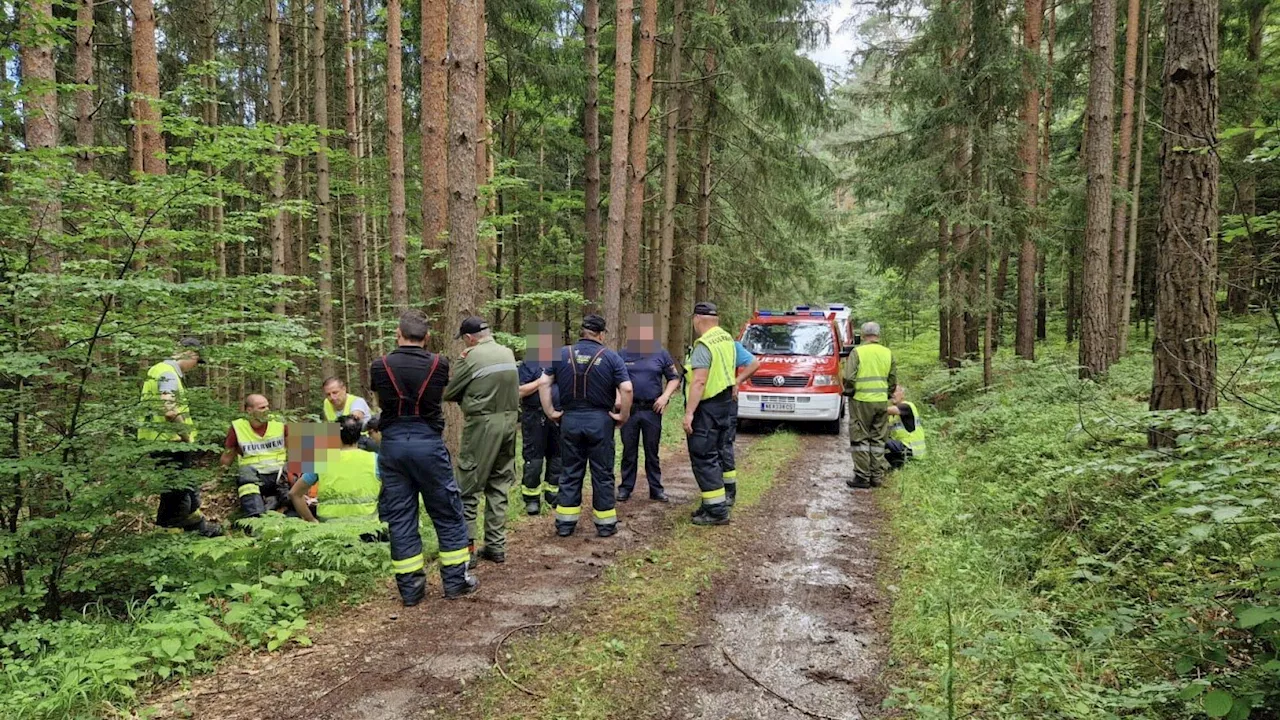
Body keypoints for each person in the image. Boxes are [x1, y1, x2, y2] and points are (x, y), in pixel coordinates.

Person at [370, 310, 476, 605]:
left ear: (397, 333)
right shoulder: (439, 363)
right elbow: (436, 396)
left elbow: (381, 403)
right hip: (428, 443)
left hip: (392, 446)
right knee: (447, 511)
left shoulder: (379, 366)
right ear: (427, 337)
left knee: (401, 517)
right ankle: (456, 583)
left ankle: (411, 591)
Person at [540, 314, 632, 538]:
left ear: (582, 332)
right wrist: (623, 415)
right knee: (602, 472)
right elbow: (627, 388)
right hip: (600, 421)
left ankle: (565, 523)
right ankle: (605, 524)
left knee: (570, 471)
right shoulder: (611, 357)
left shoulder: (561, 354)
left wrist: (550, 411)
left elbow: (544, 382)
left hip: (570, 420)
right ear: (601, 334)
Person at [443, 317, 520, 566]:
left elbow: (450, 391)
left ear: (469, 338)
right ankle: (496, 546)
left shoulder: (470, 357)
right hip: (509, 423)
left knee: (467, 486)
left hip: (482, 425)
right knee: (499, 484)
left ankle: (468, 549)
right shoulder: (507, 352)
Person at [138, 337, 222, 537]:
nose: (195, 366)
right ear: (190, 354)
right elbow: (169, 409)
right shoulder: (167, 374)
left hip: (160, 440)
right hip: (170, 442)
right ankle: (170, 533)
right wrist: (186, 437)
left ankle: (195, 527)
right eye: (197, 360)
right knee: (176, 491)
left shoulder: (157, 370)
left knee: (181, 488)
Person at [683, 302, 738, 526]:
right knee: (715, 454)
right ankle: (711, 504)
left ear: (697, 319)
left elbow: (699, 381)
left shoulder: (704, 345)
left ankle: (716, 511)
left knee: (704, 456)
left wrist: (689, 413)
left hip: (707, 408)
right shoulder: (726, 339)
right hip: (725, 405)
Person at [619, 314, 681, 502]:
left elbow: (674, 378)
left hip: (652, 410)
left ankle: (656, 489)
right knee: (629, 451)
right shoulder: (622, 354)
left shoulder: (660, 353)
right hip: (630, 410)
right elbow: (615, 380)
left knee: (651, 452)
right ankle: (625, 488)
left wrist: (665, 397)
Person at [289, 415, 382, 523]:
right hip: (369, 529)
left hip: (330, 531)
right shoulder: (375, 459)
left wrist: (312, 521)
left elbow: (294, 493)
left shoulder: (322, 460)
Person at [842, 321, 897, 489]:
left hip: (861, 400)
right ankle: (877, 476)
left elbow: (849, 377)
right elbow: (892, 378)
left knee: (860, 438)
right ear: (878, 335)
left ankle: (862, 476)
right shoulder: (888, 353)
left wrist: (849, 391)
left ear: (863, 335)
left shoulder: (857, 352)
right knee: (878, 438)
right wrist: (887, 394)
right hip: (881, 401)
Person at [221, 394, 291, 520]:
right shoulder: (238, 427)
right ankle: (256, 517)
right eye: (261, 408)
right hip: (255, 476)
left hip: (279, 473)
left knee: (291, 472)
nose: (267, 410)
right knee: (245, 474)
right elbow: (227, 456)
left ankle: (283, 505)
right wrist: (220, 478)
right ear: (249, 410)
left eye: (267, 406)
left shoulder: (279, 423)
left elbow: (296, 448)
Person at [518, 325, 561, 515]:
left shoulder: (561, 361)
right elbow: (519, 391)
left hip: (558, 416)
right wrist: (542, 381)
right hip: (534, 416)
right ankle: (531, 498)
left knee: (558, 456)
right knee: (533, 459)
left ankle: (554, 494)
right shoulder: (528, 364)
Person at [721, 340, 761, 506]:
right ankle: (716, 488)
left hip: (727, 400)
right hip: (709, 403)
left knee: (725, 445)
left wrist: (737, 381)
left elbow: (754, 363)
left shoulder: (730, 345)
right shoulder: (700, 345)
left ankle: (729, 491)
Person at [885, 385, 927, 468]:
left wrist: (872, 407)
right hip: (903, 449)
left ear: (902, 394)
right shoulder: (891, 417)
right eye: (891, 392)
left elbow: (891, 410)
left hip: (912, 450)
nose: (892, 394)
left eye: (895, 391)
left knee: (880, 441)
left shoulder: (907, 406)